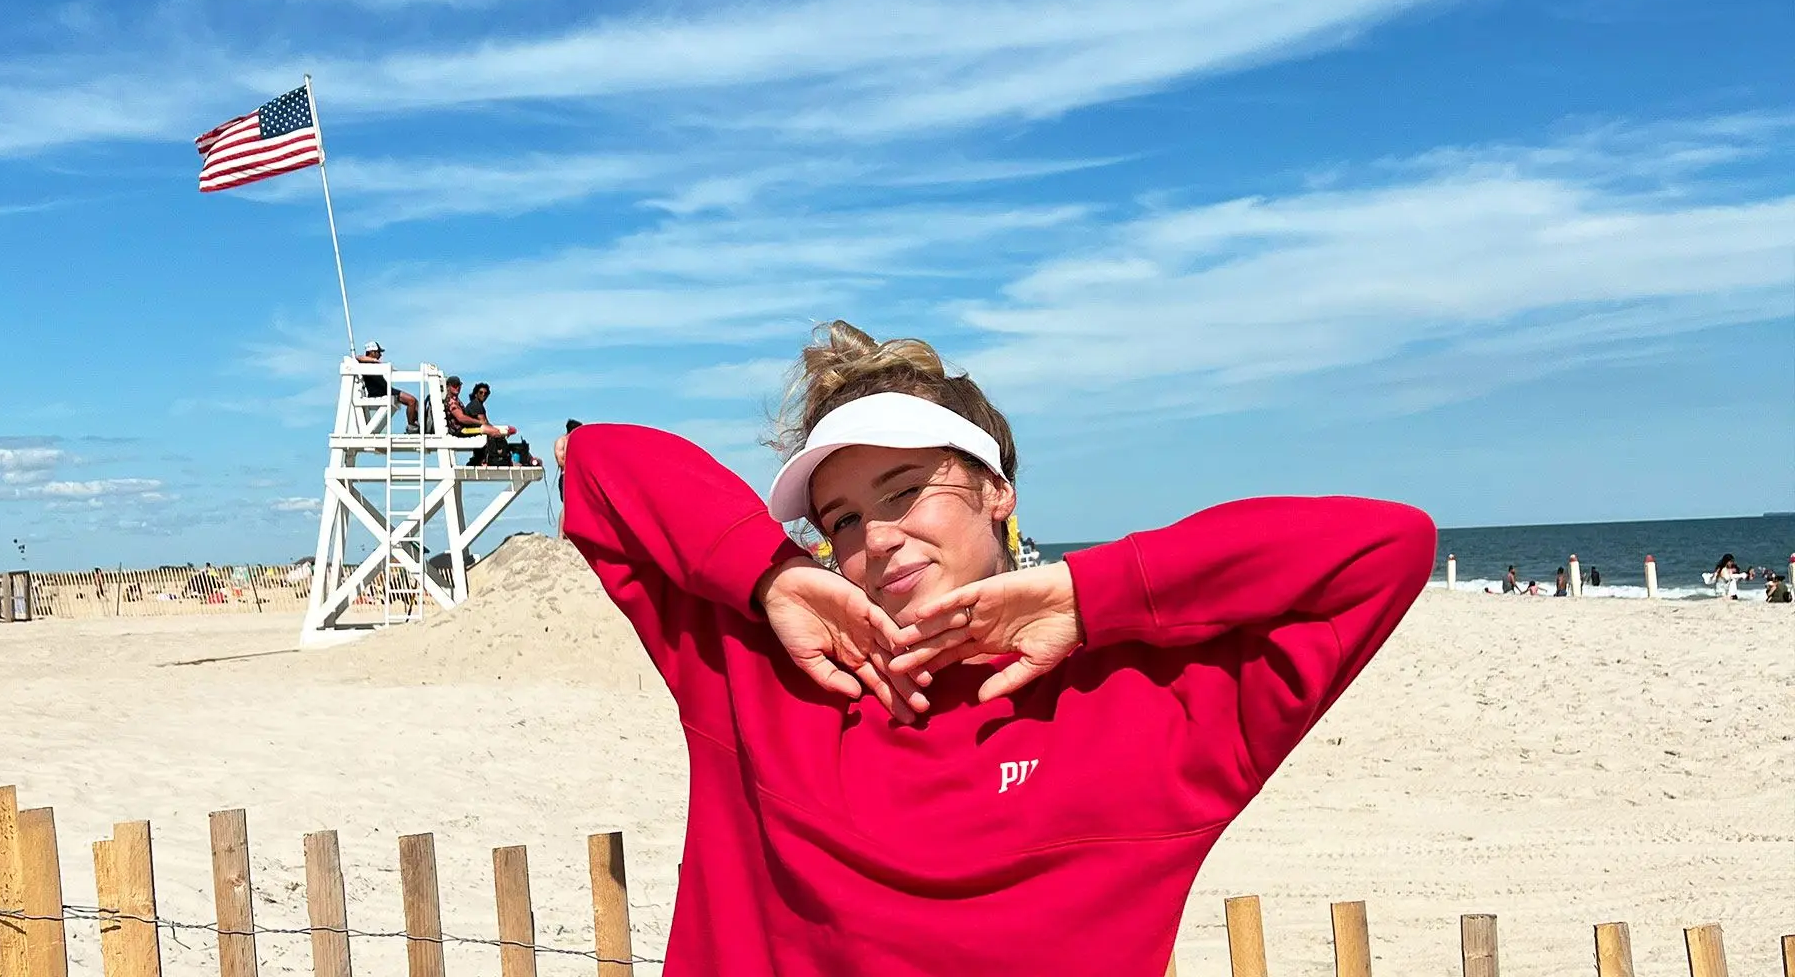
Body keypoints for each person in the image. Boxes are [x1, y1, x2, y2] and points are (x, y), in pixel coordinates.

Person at [558, 320, 1436, 975]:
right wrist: (775, 576)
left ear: (997, 492)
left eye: (906, 491)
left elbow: (1384, 548)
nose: (880, 539)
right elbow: (596, 462)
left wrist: (1090, 596)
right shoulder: (764, 673)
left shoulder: (1146, 705)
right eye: (843, 520)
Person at [355, 341, 422, 433]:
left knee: (415, 402)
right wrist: (375, 361)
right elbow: (358, 357)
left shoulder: (374, 365)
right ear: (373, 352)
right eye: (379, 352)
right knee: (411, 401)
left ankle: (415, 425)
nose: (380, 355)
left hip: (387, 390)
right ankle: (412, 427)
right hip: (381, 392)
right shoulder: (365, 363)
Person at [554, 419, 583, 501]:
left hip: (580, 478)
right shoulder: (562, 441)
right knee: (567, 504)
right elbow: (560, 461)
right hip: (567, 476)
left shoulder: (581, 442)